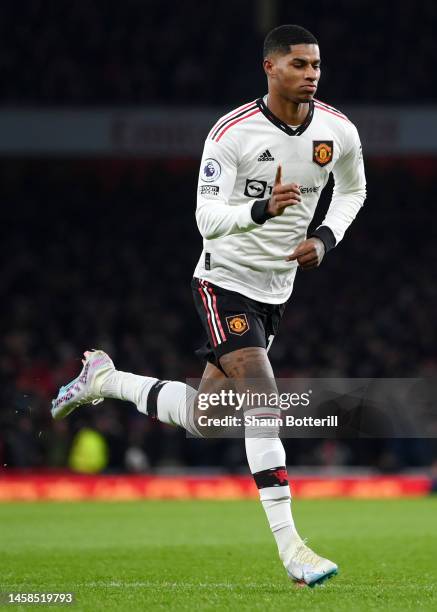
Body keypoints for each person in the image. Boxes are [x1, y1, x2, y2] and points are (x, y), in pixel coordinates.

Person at [52, 24, 366, 587]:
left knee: (206, 419)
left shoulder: (338, 130)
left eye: (317, 65)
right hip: (224, 279)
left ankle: (106, 380)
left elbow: (352, 190)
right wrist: (262, 212)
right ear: (270, 68)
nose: (312, 74)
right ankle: (293, 549)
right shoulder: (233, 134)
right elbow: (206, 218)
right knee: (263, 396)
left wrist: (325, 238)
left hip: (277, 289)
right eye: (299, 64)